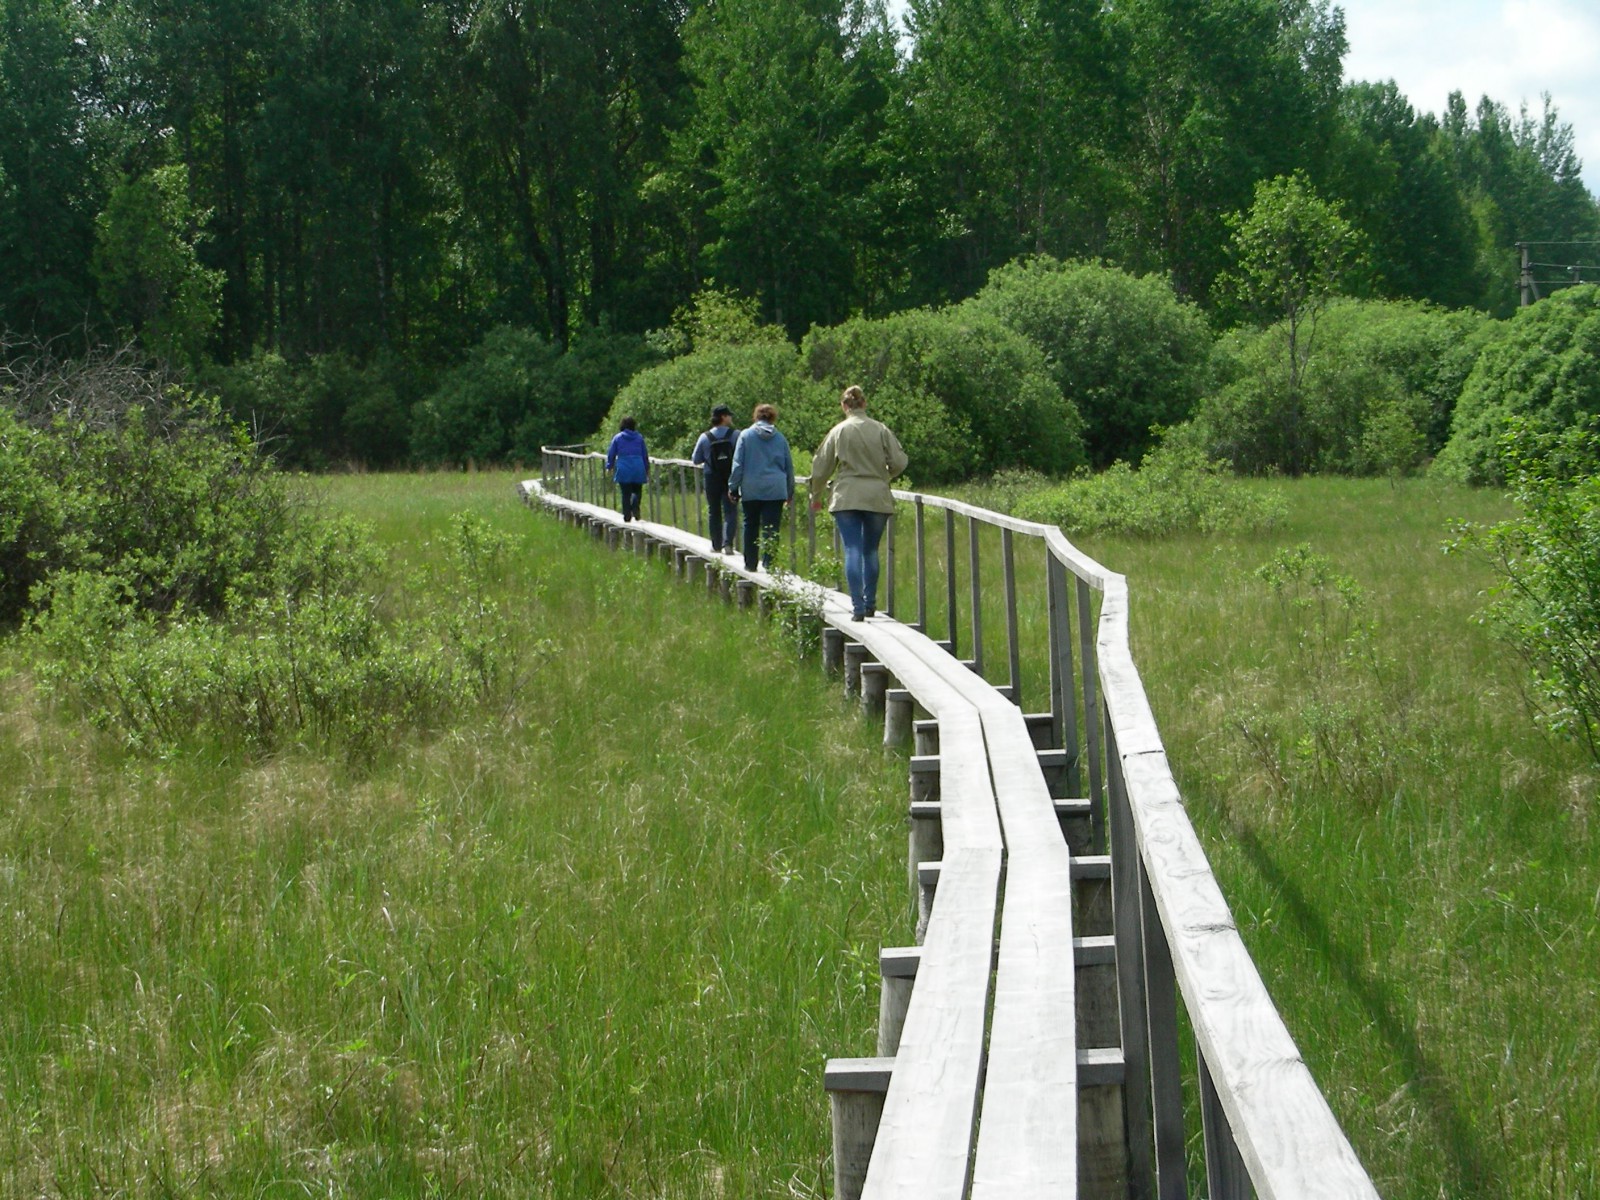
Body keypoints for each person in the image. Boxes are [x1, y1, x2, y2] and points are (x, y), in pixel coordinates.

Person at [809, 384, 909, 621]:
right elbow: (899, 461)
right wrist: (885, 476)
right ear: (864, 404)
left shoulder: (839, 431)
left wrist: (816, 494)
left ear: (844, 406)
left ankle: (857, 607)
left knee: (852, 549)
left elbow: (821, 467)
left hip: (847, 496)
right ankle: (871, 602)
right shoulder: (881, 429)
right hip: (876, 495)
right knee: (870, 550)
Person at [727, 402, 795, 572]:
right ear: (773, 418)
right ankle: (769, 564)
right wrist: (789, 491)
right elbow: (788, 467)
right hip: (776, 488)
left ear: (756, 417)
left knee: (750, 525)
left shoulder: (745, 436)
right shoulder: (780, 439)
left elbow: (738, 465)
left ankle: (750, 564)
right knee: (771, 527)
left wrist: (733, 487)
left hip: (751, 487)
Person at [690, 403, 740, 553]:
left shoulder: (705, 437)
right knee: (730, 511)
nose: (731, 418)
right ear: (723, 417)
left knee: (714, 511)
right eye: (729, 415)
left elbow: (696, 460)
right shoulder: (735, 435)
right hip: (730, 477)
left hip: (711, 477)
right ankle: (728, 544)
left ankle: (716, 545)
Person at [605, 416, 649, 522]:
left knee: (625, 493)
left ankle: (627, 515)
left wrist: (609, 466)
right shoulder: (639, 438)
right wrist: (647, 468)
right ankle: (635, 504)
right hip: (638, 466)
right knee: (637, 490)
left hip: (623, 467)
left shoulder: (618, 438)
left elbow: (611, 453)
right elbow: (645, 454)